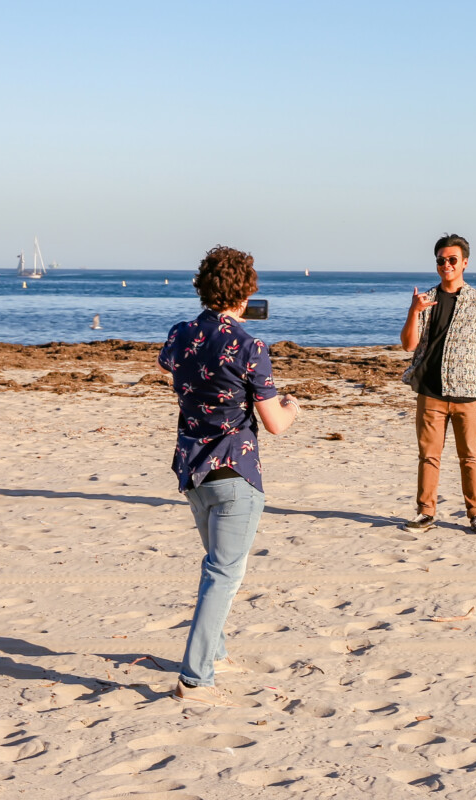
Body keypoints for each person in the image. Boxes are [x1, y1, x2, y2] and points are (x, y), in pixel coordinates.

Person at [158, 245, 299, 706]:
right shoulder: (250, 345)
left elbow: (169, 368)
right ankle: (195, 678)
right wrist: (293, 406)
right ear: (246, 292)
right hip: (235, 470)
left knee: (216, 566)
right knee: (223, 574)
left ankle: (214, 651)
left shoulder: (180, 333)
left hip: (193, 470)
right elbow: (275, 423)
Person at [399, 233, 476, 534]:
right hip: (430, 391)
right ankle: (425, 513)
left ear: (464, 263)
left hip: (468, 394)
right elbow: (408, 345)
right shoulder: (425, 299)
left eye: (452, 260)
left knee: (470, 456)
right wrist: (414, 311)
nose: (446, 265)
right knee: (428, 456)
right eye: (441, 260)